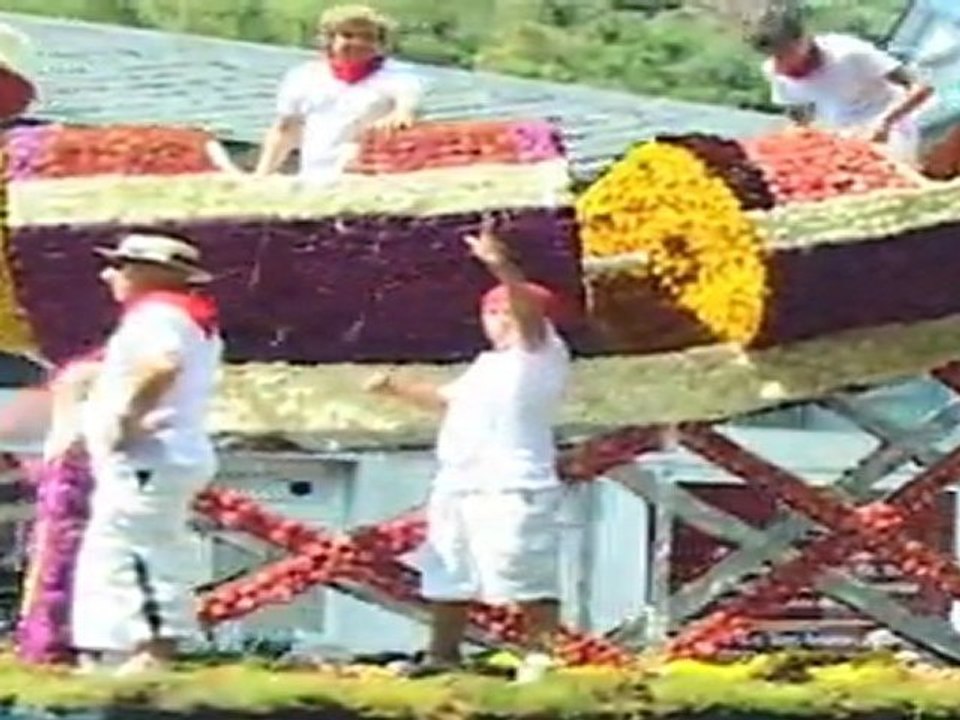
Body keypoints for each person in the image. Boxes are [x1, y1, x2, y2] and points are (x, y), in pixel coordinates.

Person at [364, 218, 572, 681]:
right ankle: (442, 656)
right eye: (491, 312)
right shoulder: (487, 366)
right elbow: (447, 401)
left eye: (503, 313)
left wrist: (501, 268)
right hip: (460, 481)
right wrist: (395, 389)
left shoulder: (541, 354)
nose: (496, 320)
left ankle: (539, 655)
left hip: (514, 482)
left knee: (521, 568)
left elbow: (529, 314)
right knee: (447, 570)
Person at [70, 231, 222, 676]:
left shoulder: (160, 314)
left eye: (121, 265)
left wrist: (127, 419)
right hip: (149, 458)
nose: (110, 275)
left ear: (153, 272)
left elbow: (161, 365)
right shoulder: (175, 316)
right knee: (115, 548)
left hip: (149, 455)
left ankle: (154, 650)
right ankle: (113, 650)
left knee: (140, 548)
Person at [254, 4, 424, 181]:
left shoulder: (400, 76)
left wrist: (399, 116)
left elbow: (407, 108)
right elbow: (285, 130)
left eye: (368, 37)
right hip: (314, 178)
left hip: (372, 180)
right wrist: (261, 175)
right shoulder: (303, 76)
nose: (359, 43)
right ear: (330, 40)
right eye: (348, 35)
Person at [751, 8, 934, 166]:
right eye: (773, 56)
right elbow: (798, 114)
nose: (780, 63)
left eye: (786, 53)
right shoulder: (773, 70)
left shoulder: (848, 53)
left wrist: (884, 123)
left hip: (893, 121)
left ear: (803, 40)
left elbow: (921, 87)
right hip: (841, 132)